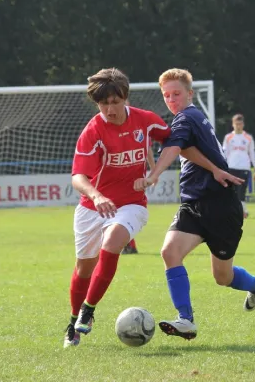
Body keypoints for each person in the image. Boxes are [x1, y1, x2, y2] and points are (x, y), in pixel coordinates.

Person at [134, 68, 255, 340]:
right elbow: (185, 148)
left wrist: (155, 174)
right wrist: (213, 168)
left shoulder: (188, 116)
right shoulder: (188, 121)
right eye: (167, 95)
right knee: (169, 252)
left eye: (177, 94)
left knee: (223, 277)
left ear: (190, 94)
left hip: (221, 205)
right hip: (193, 204)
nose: (171, 99)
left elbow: (173, 148)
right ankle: (186, 319)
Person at [64, 68, 173, 348]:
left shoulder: (145, 121)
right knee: (83, 269)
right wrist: (97, 196)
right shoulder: (93, 131)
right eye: (104, 104)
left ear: (125, 97)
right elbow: (78, 176)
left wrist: (155, 171)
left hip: (132, 204)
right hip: (92, 207)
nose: (110, 109)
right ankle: (73, 321)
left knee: (113, 241)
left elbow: (173, 140)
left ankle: (89, 309)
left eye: (115, 101)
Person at [222, 114, 255, 218]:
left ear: (243, 124)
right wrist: (222, 166)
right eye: (236, 124)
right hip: (231, 167)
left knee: (241, 190)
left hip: (244, 167)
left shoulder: (248, 138)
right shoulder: (228, 137)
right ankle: (230, 211)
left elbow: (252, 153)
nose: (238, 126)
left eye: (240, 124)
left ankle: (243, 210)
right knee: (230, 191)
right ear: (233, 125)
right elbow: (224, 153)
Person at [122, 140, 156, 255]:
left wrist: (153, 171)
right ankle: (128, 245)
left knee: (122, 209)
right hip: (116, 176)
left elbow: (147, 148)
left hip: (131, 177)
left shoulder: (139, 128)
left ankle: (129, 245)